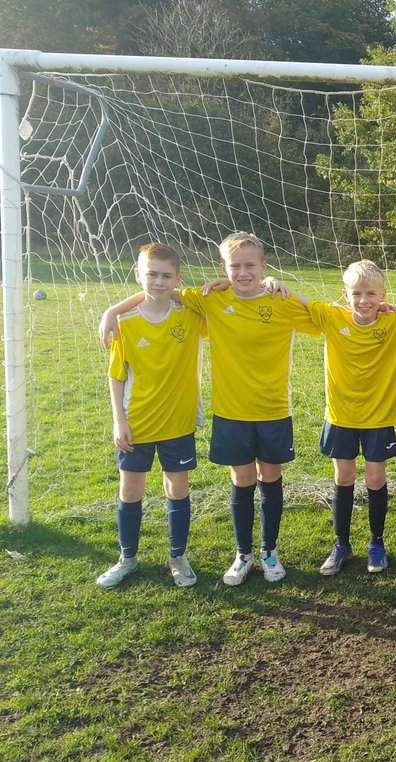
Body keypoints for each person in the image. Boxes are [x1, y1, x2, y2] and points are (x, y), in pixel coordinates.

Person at [100, 231, 317, 586]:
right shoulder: (205, 302)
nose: (243, 272)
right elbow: (159, 292)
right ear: (223, 268)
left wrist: (279, 287)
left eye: (250, 266)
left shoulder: (265, 301)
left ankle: (266, 551)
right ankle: (240, 554)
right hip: (220, 414)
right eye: (235, 266)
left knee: (268, 477)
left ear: (263, 267)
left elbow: (322, 316)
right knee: (238, 479)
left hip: (265, 411)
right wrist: (113, 309)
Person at [305, 260, 396, 576]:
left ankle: (376, 544)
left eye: (371, 293)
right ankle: (341, 545)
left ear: (383, 295)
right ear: (345, 294)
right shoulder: (332, 317)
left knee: (374, 478)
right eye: (356, 293)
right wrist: (271, 284)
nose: (364, 300)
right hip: (340, 415)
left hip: (379, 417)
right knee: (343, 477)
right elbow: (296, 302)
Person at [97, 243, 205, 589]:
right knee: (130, 490)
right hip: (137, 423)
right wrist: (119, 420)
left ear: (178, 278)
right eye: (151, 274)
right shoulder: (125, 323)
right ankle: (127, 559)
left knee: (177, 488)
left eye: (166, 275)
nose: (159, 281)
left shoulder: (190, 314)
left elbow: (221, 292)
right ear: (138, 275)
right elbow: (116, 375)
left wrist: (112, 306)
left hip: (178, 422)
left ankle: (178, 557)